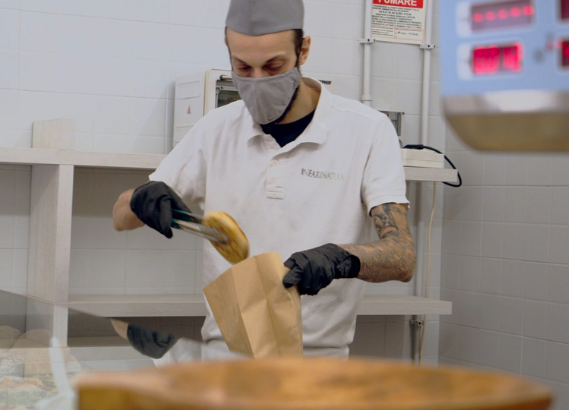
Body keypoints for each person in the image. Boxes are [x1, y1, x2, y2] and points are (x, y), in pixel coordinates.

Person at [113, 0, 416, 358]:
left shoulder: (365, 130)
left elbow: (402, 256)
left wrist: (340, 258)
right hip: (223, 357)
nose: (257, 81)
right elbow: (120, 217)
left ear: (303, 50)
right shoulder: (216, 129)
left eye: (274, 66)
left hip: (317, 362)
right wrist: (141, 199)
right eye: (243, 67)